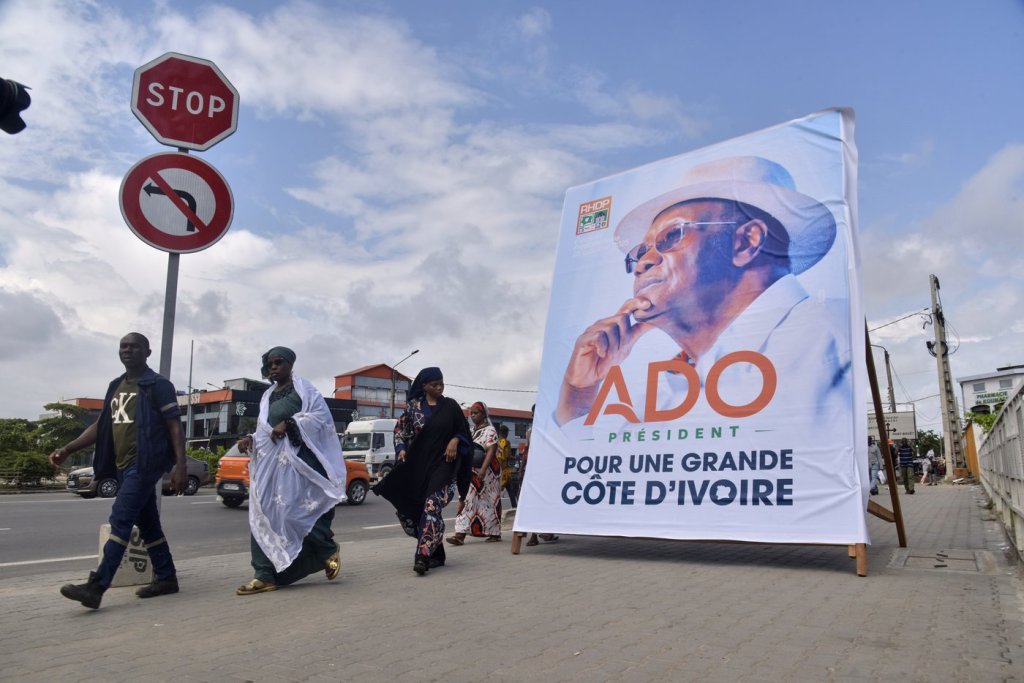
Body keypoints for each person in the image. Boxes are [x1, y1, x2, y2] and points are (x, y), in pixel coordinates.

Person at [555, 156, 850, 429]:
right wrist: (579, 391)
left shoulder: (830, 338)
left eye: (671, 235)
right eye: (640, 252)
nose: (643, 263)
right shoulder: (667, 390)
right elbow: (599, 464)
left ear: (747, 242)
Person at [49, 332, 187, 610]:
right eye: (123, 346)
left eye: (134, 346)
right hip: (123, 465)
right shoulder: (116, 386)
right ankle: (166, 577)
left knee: (120, 519)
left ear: (147, 352)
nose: (127, 350)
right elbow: (101, 425)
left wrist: (180, 466)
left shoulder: (158, 385)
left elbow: (174, 425)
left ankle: (96, 587)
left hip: (145, 464)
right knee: (148, 524)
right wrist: (68, 449)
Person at [235, 347, 347, 595]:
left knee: (295, 513)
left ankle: (325, 550)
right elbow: (265, 430)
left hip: (299, 462)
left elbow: (320, 418)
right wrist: (250, 438)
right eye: (270, 364)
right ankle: (263, 574)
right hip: (270, 466)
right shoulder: (267, 396)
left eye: (279, 362)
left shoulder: (304, 389)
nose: (274, 367)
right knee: (262, 514)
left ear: (290, 364)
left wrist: (290, 423)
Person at [373, 367, 471, 575]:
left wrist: (455, 440)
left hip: (444, 466)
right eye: (434, 384)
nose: (439, 387)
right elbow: (400, 431)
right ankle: (437, 553)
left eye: (441, 383)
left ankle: (422, 556)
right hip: (419, 466)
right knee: (420, 511)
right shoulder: (413, 408)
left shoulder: (451, 406)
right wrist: (401, 450)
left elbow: (464, 432)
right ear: (424, 386)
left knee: (431, 505)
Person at [449, 402, 503, 544]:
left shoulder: (490, 430)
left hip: (488, 472)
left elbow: (491, 450)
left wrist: (483, 470)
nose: (472, 416)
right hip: (471, 471)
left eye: (475, 413)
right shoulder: (471, 431)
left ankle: (494, 533)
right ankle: (460, 533)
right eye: (471, 413)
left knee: (489, 502)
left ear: (483, 414)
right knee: (466, 498)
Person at [496, 424, 519, 508]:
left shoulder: (495, 442)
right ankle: (514, 508)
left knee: (497, 493)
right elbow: (505, 456)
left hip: (496, 471)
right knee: (511, 492)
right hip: (504, 472)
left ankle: (497, 509)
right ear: (506, 433)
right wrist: (515, 457)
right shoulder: (506, 442)